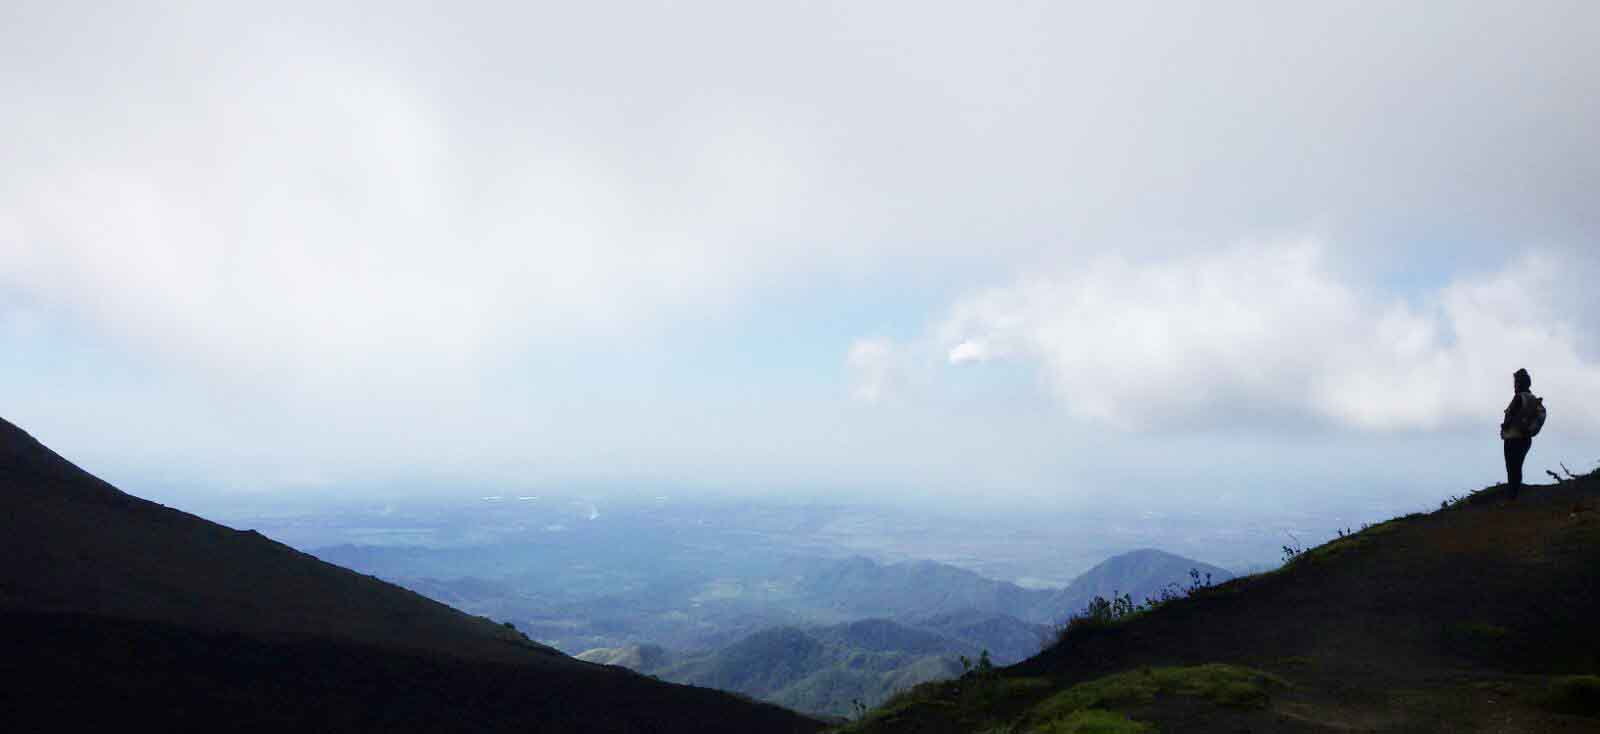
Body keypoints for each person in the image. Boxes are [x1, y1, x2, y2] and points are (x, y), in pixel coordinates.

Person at [1499, 368, 1535, 500]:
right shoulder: (1532, 398)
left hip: (1514, 438)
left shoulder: (1518, 398)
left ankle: (1512, 497)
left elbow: (1513, 417)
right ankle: (1514, 495)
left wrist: (1505, 425)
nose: (1514, 385)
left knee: (1512, 468)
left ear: (1519, 383)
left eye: (1515, 382)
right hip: (1526, 438)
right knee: (1517, 467)